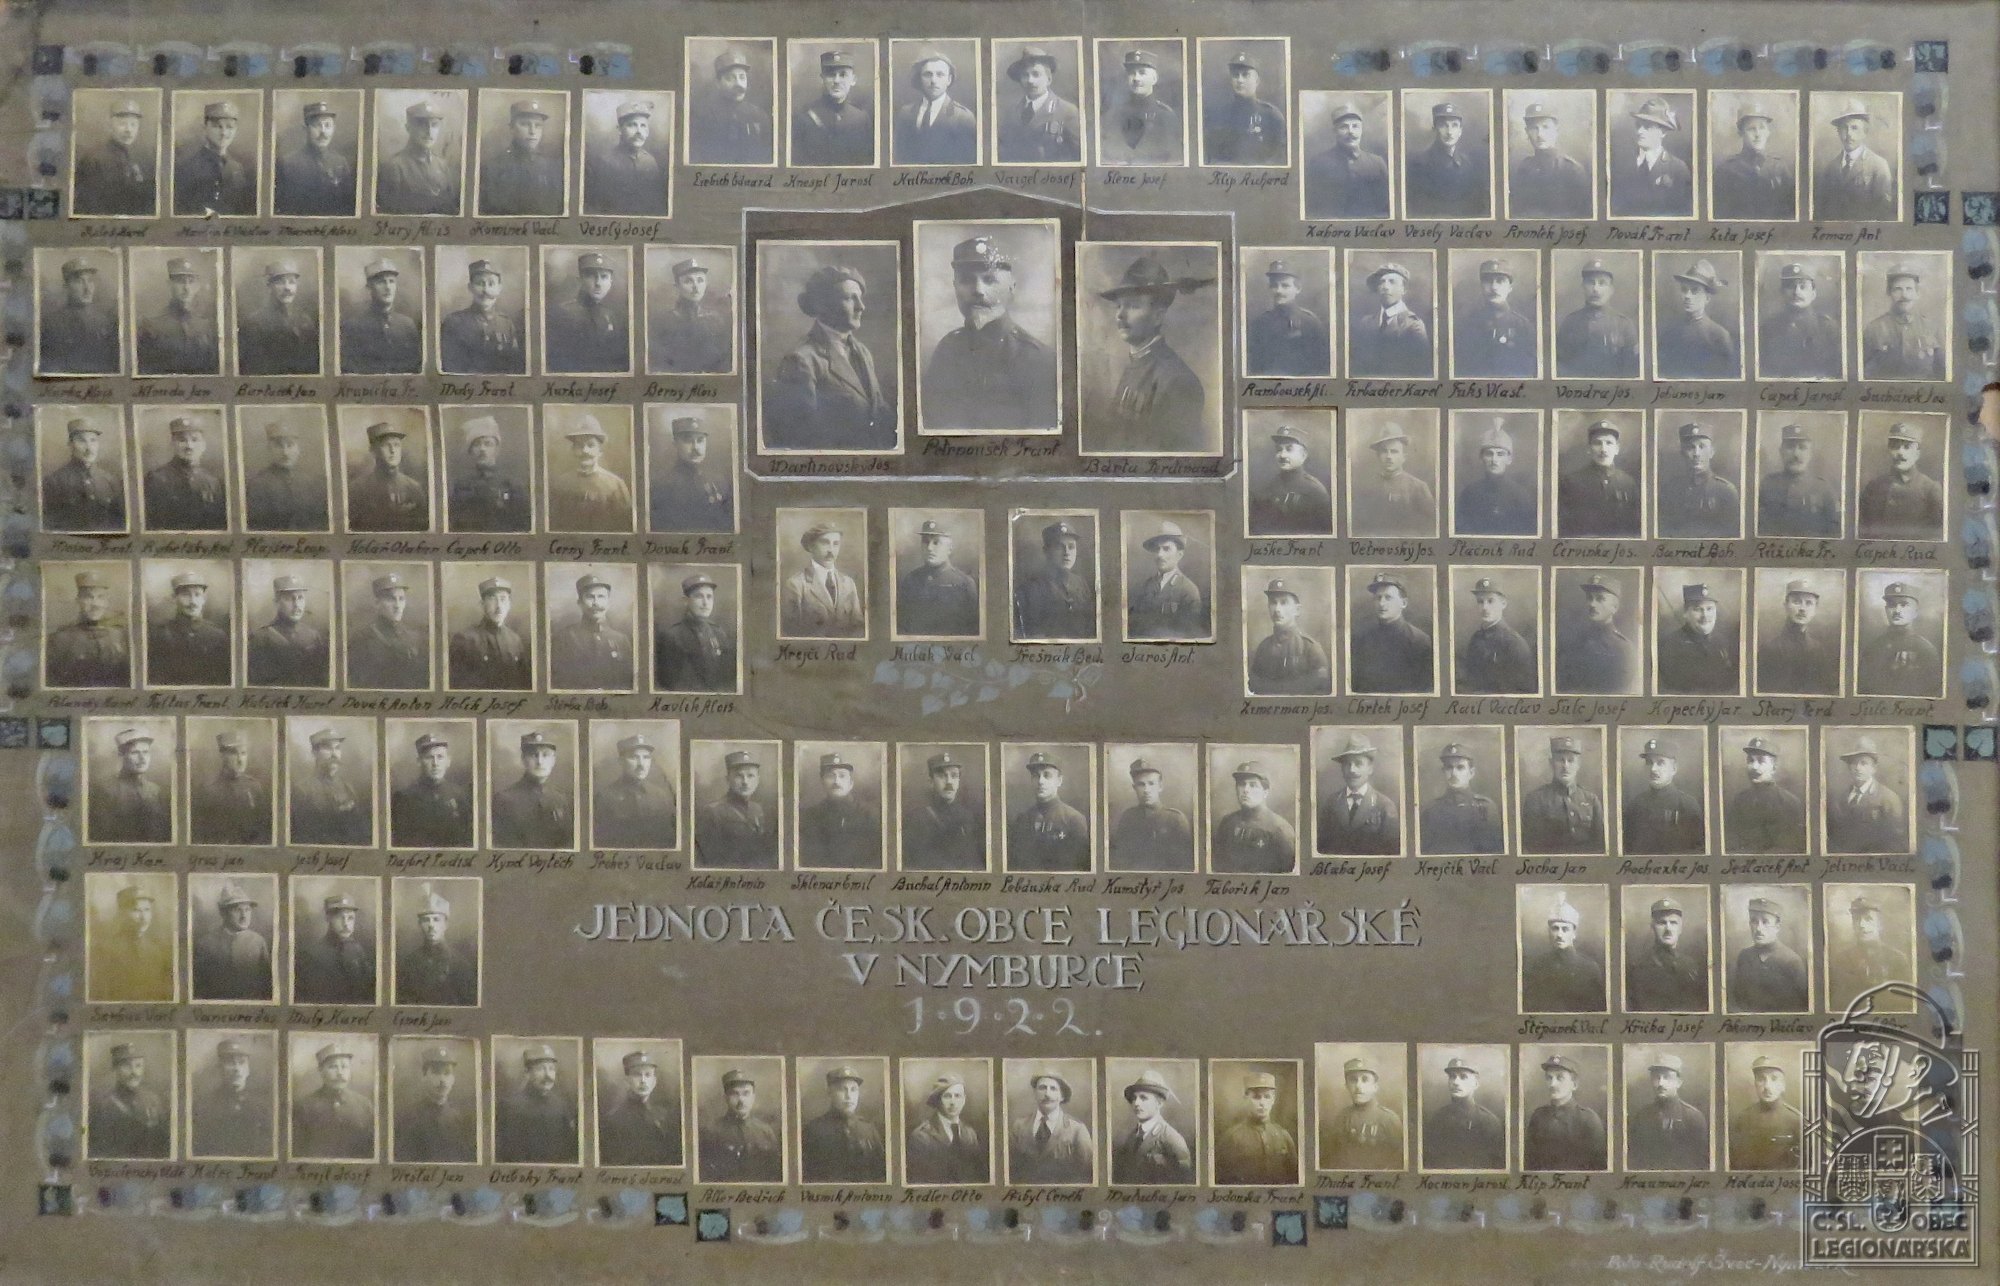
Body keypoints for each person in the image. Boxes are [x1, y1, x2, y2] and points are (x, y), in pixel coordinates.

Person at [920, 234, 1059, 432]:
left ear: (1011, 288)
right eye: (966, 280)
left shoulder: (1039, 359)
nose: (978, 290)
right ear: (955, 287)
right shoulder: (946, 349)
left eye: (990, 280)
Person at [1088, 257, 1213, 452]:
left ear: (1157, 316)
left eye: (1133, 305)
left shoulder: (1178, 380)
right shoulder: (1135, 365)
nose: (1120, 315)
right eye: (1119, 306)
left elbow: (1175, 459)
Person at [766, 263, 896, 450]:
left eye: (860, 298)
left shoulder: (863, 353)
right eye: (849, 298)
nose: (861, 307)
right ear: (823, 304)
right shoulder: (802, 360)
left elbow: (880, 413)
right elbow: (797, 437)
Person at [1856, 422, 1945, 541]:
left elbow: (1936, 537)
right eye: (1895, 446)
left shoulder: (1931, 489)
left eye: (1907, 447)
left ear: (1918, 453)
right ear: (1888, 450)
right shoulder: (1873, 487)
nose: (1900, 453)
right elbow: (1861, 529)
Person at [544, 251, 630, 374]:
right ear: (581, 279)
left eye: (604, 277)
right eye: (591, 276)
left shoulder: (614, 316)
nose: (598, 283)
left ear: (611, 281)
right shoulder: (562, 313)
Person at [1554, 258, 1641, 379]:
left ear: (1611, 290)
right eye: (1591, 282)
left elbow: (1632, 370)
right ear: (1583, 287)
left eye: (1602, 283)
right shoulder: (1570, 323)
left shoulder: (1624, 325)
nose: (1595, 289)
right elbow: (1560, 366)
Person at [1315, 733, 1400, 856]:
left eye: (1358, 764)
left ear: (1370, 769)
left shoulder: (1385, 806)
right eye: (1347, 764)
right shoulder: (1331, 803)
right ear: (1342, 769)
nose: (1352, 770)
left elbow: (1392, 852)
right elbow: (1321, 847)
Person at [1349, 571, 1433, 694]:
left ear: (1403, 603)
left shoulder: (1419, 641)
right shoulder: (1361, 639)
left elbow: (1425, 688)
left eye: (1388, 598)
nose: (1381, 603)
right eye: (1378, 598)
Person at [1813, 97, 1897, 221]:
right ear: (1838, 132)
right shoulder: (1830, 168)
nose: (1849, 134)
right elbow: (1822, 209)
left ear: (1865, 132)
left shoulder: (1878, 165)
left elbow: (1884, 211)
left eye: (1854, 128)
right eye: (1844, 128)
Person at [395, 882, 478, 1006]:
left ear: (446, 924)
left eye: (436, 919)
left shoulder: (460, 964)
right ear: (419, 924)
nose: (431, 925)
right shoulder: (409, 962)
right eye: (426, 920)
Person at [1303, 100, 1389, 218]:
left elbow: (1386, 208)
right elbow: (1311, 207)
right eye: (1344, 127)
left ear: (1361, 130)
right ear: (1334, 131)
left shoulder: (1377, 163)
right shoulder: (1319, 163)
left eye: (1355, 126)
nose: (1351, 132)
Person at [996, 45, 1082, 164]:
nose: (1030, 80)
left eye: (1036, 74)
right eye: (1025, 75)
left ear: (1048, 79)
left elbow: (1077, 157)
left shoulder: (1068, 111)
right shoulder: (1011, 112)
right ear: (1020, 80)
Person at [1520, 734, 1605, 854]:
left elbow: (1600, 845)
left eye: (1571, 761)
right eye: (1560, 760)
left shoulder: (1591, 800)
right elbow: (1531, 846)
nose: (1565, 766)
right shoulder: (1535, 800)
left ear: (1578, 765)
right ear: (1551, 763)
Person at [548, 416, 634, 534]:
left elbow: (625, 526)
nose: (585, 450)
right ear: (573, 450)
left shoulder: (616, 485)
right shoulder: (560, 484)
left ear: (600, 451)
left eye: (590, 445)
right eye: (579, 445)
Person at [1453, 258, 1537, 379]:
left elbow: (1529, 371)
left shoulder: (1523, 326)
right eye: (1488, 281)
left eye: (1500, 281)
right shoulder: (1467, 324)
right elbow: (1460, 368)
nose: (1494, 287)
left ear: (1510, 288)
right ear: (1481, 286)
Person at [1013, 519, 1097, 641]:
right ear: (1046, 551)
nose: (1067, 553)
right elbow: (1029, 634)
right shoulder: (1029, 589)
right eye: (1059, 547)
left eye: (1071, 547)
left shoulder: (1081, 584)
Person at [689, 46, 774, 166]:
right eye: (730, 78)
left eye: (742, 77)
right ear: (718, 83)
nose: (738, 84)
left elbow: (766, 157)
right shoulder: (703, 116)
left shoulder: (759, 116)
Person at [135, 256, 220, 375]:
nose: (186, 288)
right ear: (169, 284)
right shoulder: (151, 325)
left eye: (191, 281)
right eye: (180, 282)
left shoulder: (206, 327)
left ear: (197, 287)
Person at [492, 729, 576, 849]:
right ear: (523, 759)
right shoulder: (504, 800)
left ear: (553, 761)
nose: (540, 762)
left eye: (545, 755)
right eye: (533, 755)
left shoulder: (560, 799)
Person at [592, 733, 678, 851]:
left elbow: (668, 838)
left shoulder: (661, 796)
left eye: (646, 757)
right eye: (634, 757)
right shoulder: (605, 797)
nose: (641, 765)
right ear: (621, 761)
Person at [1861, 263, 1946, 381]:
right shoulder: (1873, 329)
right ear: (1889, 293)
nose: (1904, 295)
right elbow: (1863, 374)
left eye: (1909, 289)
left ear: (1917, 293)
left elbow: (1943, 373)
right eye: (1898, 289)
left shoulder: (1931, 327)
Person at [654, 571, 737, 693]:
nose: (705, 603)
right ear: (686, 601)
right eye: (699, 596)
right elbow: (669, 683)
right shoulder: (672, 636)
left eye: (709, 597)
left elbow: (727, 677)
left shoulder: (719, 633)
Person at [145, 569, 230, 687]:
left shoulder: (217, 636)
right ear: (174, 598)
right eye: (186, 595)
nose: (193, 601)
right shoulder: (160, 635)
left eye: (197, 595)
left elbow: (223, 680)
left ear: (204, 599)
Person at [1655, 258, 1738, 380]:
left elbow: (1726, 378)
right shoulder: (1669, 332)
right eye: (1684, 290)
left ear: (1707, 298)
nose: (1687, 296)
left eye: (1695, 291)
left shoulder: (1719, 336)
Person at [438, 258, 525, 375]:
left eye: (491, 284)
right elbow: (450, 367)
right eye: (480, 283)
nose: (486, 290)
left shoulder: (506, 324)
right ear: (470, 287)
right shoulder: (454, 322)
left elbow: (515, 365)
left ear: (499, 288)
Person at [495, 1044, 579, 1165]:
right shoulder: (510, 1106)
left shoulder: (560, 1105)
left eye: (551, 1069)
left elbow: (569, 1149)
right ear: (527, 1073)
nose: (548, 1075)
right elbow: (507, 1154)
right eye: (540, 1069)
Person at [1758, 261, 1843, 380]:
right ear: (1782, 292)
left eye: (1803, 287)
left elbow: (1837, 372)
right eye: (1790, 286)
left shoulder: (1829, 328)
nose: (1796, 292)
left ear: (1813, 294)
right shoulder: (1768, 328)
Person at [902, 750, 986, 871]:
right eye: (942, 776)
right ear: (931, 782)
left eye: (954, 776)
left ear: (959, 781)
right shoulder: (918, 818)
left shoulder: (968, 817)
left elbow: (975, 862)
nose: (949, 782)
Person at [598, 1049, 682, 1168]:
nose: (643, 1081)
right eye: (637, 1075)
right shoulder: (614, 1119)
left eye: (648, 1075)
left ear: (654, 1081)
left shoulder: (665, 1116)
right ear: (627, 1080)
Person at [1008, 751, 1091, 871]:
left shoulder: (1074, 819)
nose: (1040, 781)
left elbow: (1080, 866)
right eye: (1036, 776)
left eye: (1047, 775)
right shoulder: (1022, 820)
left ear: (1059, 781)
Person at [1712, 99, 1795, 221]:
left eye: (1762, 128)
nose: (1758, 134)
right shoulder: (1726, 170)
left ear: (1768, 132)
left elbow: (1791, 211)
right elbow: (1719, 215)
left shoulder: (1779, 167)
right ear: (1740, 133)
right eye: (1751, 129)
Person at [1610, 95, 1692, 218]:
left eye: (1648, 127)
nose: (1640, 131)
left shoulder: (1678, 168)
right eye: (1638, 125)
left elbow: (1683, 212)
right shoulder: (1622, 166)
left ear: (1663, 132)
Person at [1405, 98, 1488, 218]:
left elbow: (1476, 207)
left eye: (1454, 125)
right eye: (1444, 125)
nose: (1449, 132)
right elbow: (1415, 208)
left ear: (1460, 131)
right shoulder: (1418, 164)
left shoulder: (1468, 165)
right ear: (1435, 128)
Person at [389, 732, 475, 850]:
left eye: (440, 757)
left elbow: (468, 840)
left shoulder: (460, 796)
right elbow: (400, 843)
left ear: (448, 761)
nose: (435, 763)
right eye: (429, 757)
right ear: (419, 761)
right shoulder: (404, 798)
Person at [478, 98, 563, 217]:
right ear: (512, 128)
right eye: (525, 124)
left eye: (538, 125)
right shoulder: (493, 167)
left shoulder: (552, 167)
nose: (532, 131)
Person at [375, 97, 460, 215]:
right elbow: (388, 212)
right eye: (422, 125)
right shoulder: (394, 166)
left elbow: (451, 208)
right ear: (408, 128)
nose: (429, 132)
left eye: (434, 125)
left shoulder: (442, 166)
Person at [1245, 259, 1330, 378]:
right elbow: (1254, 366)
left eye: (1285, 286)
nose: (1278, 291)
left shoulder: (1310, 322)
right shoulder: (1260, 323)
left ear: (1298, 289)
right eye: (1274, 285)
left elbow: (1322, 367)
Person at [1248, 578, 1332, 697]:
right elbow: (1253, 687)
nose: (1277, 609)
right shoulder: (1263, 648)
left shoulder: (1311, 649)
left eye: (1284, 603)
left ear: (1297, 610)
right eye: (1273, 602)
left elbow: (1322, 691)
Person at [1108, 757, 1194, 872]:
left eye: (1151, 783)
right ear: (1134, 787)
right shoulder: (1128, 817)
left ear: (1160, 786)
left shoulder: (1176, 819)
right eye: (1141, 784)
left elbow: (1184, 865)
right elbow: (1120, 859)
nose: (1146, 790)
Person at [695, 749, 778, 869]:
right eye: (739, 776)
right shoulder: (713, 812)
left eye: (750, 776)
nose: (745, 782)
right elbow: (708, 858)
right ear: (728, 779)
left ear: (758, 779)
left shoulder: (758, 809)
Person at [648, 414, 733, 532]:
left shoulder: (720, 481)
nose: (696, 448)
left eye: (700, 440)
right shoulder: (662, 485)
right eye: (688, 441)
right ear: (675, 444)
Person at [649, 256, 732, 375]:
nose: (696, 287)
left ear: (706, 283)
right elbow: (659, 363)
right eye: (688, 281)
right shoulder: (664, 321)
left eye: (700, 280)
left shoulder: (715, 320)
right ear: (677, 286)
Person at [1007, 1070, 1094, 1184]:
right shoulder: (1019, 1127)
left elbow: (1087, 1173)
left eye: (1053, 1089)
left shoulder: (1077, 1129)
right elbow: (1010, 1169)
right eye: (1042, 1088)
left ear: (1062, 1096)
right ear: (1035, 1093)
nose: (1047, 1094)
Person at [799, 750, 882, 869]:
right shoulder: (809, 816)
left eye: (842, 776)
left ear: (851, 783)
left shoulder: (870, 814)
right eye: (830, 776)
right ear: (822, 782)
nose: (836, 781)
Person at [1523, 894, 1606, 1012]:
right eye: (1555, 928)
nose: (1559, 935)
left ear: (1574, 934)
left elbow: (1596, 1011)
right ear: (1549, 931)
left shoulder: (1590, 968)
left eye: (1565, 929)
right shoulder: (1536, 966)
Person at [72, 97, 155, 216]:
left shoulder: (143, 157)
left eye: (133, 124)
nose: (128, 130)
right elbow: (85, 203)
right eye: (122, 124)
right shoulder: (94, 158)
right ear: (110, 126)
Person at [1524, 1054, 1607, 1172]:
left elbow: (1598, 1169)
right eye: (1549, 1078)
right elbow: (1529, 1164)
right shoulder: (1538, 1116)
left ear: (1574, 1085)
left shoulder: (1589, 1120)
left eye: (1560, 1078)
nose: (1552, 1084)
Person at [791, 48, 875, 166]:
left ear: (853, 80)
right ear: (822, 79)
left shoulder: (861, 119)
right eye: (831, 74)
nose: (836, 80)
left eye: (843, 75)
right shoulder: (804, 118)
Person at [143, 415, 227, 532]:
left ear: (203, 445)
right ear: (172, 444)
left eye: (195, 440)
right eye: (182, 440)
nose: (189, 446)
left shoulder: (213, 481)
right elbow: (151, 524)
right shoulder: (156, 478)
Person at [1557, 419, 1640, 537]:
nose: (1603, 449)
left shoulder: (1628, 483)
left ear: (1617, 449)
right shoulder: (1571, 482)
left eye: (1609, 443)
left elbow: (1635, 527)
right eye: (1597, 443)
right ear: (1588, 448)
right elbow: (1565, 527)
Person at [1211, 760, 1297, 874]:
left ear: (1265, 792)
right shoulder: (1227, 823)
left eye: (1253, 785)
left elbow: (1288, 877)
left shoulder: (1280, 830)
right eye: (1242, 784)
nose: (1246, 790)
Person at [273, 97, 355, 217]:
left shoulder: (340, 163)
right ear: (305, 129)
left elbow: (348, 206)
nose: (323, 132)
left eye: (328, 125)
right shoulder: (288, 164)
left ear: (334, 129)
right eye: (317, 125)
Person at [48, 569, 130, 689]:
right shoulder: (60, 639)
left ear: (107, 602)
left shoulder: (120, 636)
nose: (95, 604)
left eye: (101, 597)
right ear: (78, 600)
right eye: (88, 597)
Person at [348, 571, 429, 690]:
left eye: (401, 599)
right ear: (377, 603)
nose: (397, 606)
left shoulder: (413, 636)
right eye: (391, 599)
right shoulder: (362, 638)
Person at [897, 519, 980, 637]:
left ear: (950, 548)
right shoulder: (910, 580)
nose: (929, 548)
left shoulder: (964, 584)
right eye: (925, 542)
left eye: (936, 542)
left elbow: (972, 630)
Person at [339, 257, 422, 375]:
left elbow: (416, 368)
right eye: (381, 282)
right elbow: (348, 371)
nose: (387, 287)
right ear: (369, 286)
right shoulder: (352, 327)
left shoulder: (407, 325)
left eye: (391, 281)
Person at [781, 521, 865, 637]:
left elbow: (859, 627)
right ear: (811, 546)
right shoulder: (796, 584)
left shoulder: (848, 583)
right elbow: (790, 631)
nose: (831, 550)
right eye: (825, 543)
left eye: (836, 544)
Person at [1555, 574, 1637, 694]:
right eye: (1590, 598)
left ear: (1615, 607)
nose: (1592, 604)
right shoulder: (1575, 641)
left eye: (1600, 599)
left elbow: (1618, 693)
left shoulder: (1623, 649)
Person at [446, 416, 529, 532]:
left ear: (496, 449)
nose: (482, 449)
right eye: (477, 444)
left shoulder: (511, 484)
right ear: (471, 451)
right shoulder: (461, 485)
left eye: (488, 444)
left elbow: (522, 522)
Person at [1100, 47, 1181, 166]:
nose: (1136, 78)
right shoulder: (1113, 115)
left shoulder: (1166, 115)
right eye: (1132, 73)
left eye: (1142, 73)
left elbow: (1174, 159)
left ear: (1154, 79)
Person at [1349, 423, 1436, 536]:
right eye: (1385, 451)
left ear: (1403, 457)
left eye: (1394, 451)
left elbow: (1430, 528)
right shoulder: (1366, 487)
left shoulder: (1418, 487)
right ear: (1378, 456)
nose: (1389, 456)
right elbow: (1358, 526)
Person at [1659, 420, 1741, 538]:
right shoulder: (1670, 490)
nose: (1696, 453)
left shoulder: (1726, 491)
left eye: (1702, 447)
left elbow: (1732, 535)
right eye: (1690, 447)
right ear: (1682, 453)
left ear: (1711, 452)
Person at [237, 258, 319, 376]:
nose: (287, 288)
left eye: (292, 282)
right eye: (280, 282)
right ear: (269, 286)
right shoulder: (254, 323)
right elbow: (251, 368)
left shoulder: (305, 321)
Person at [1126, 521, 1208, 639]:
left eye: (1166, 549)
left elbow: (1189, 634)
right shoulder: (1145, 586)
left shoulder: (1188, 590)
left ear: (1179, 554)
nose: (1160, 555)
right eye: (1157, 549)